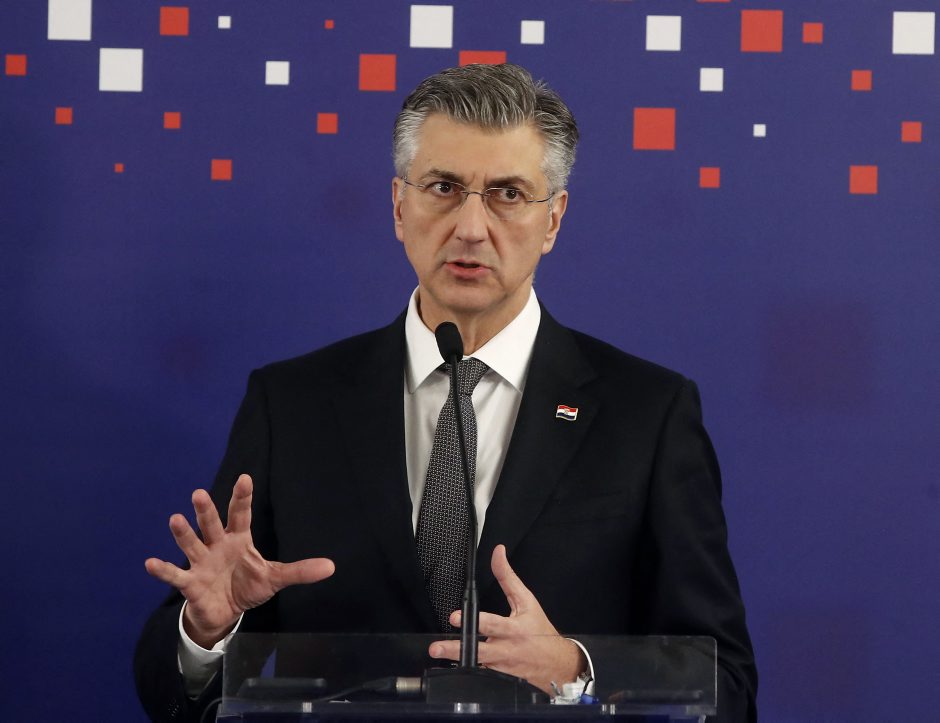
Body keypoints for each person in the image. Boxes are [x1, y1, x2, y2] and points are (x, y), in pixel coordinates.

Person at [135, 63, 757, 722]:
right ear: (399, 206)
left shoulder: (647, 415)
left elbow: (727, 682)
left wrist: (576, 668)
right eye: (443, 187)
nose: (470, 226)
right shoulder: (291, 405)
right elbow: (170, 686)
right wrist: (207, 631)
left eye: (508, 194)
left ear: (553, 220)